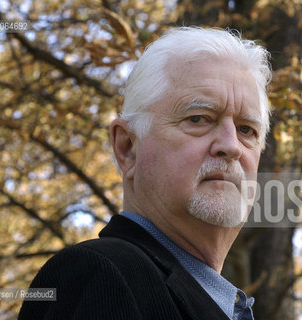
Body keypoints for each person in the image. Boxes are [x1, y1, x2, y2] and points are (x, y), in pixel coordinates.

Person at [19, 26, 272, 320]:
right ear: (127, 148)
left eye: (246, 130)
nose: (231, 146)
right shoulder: (101, 275)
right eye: (198, 118)